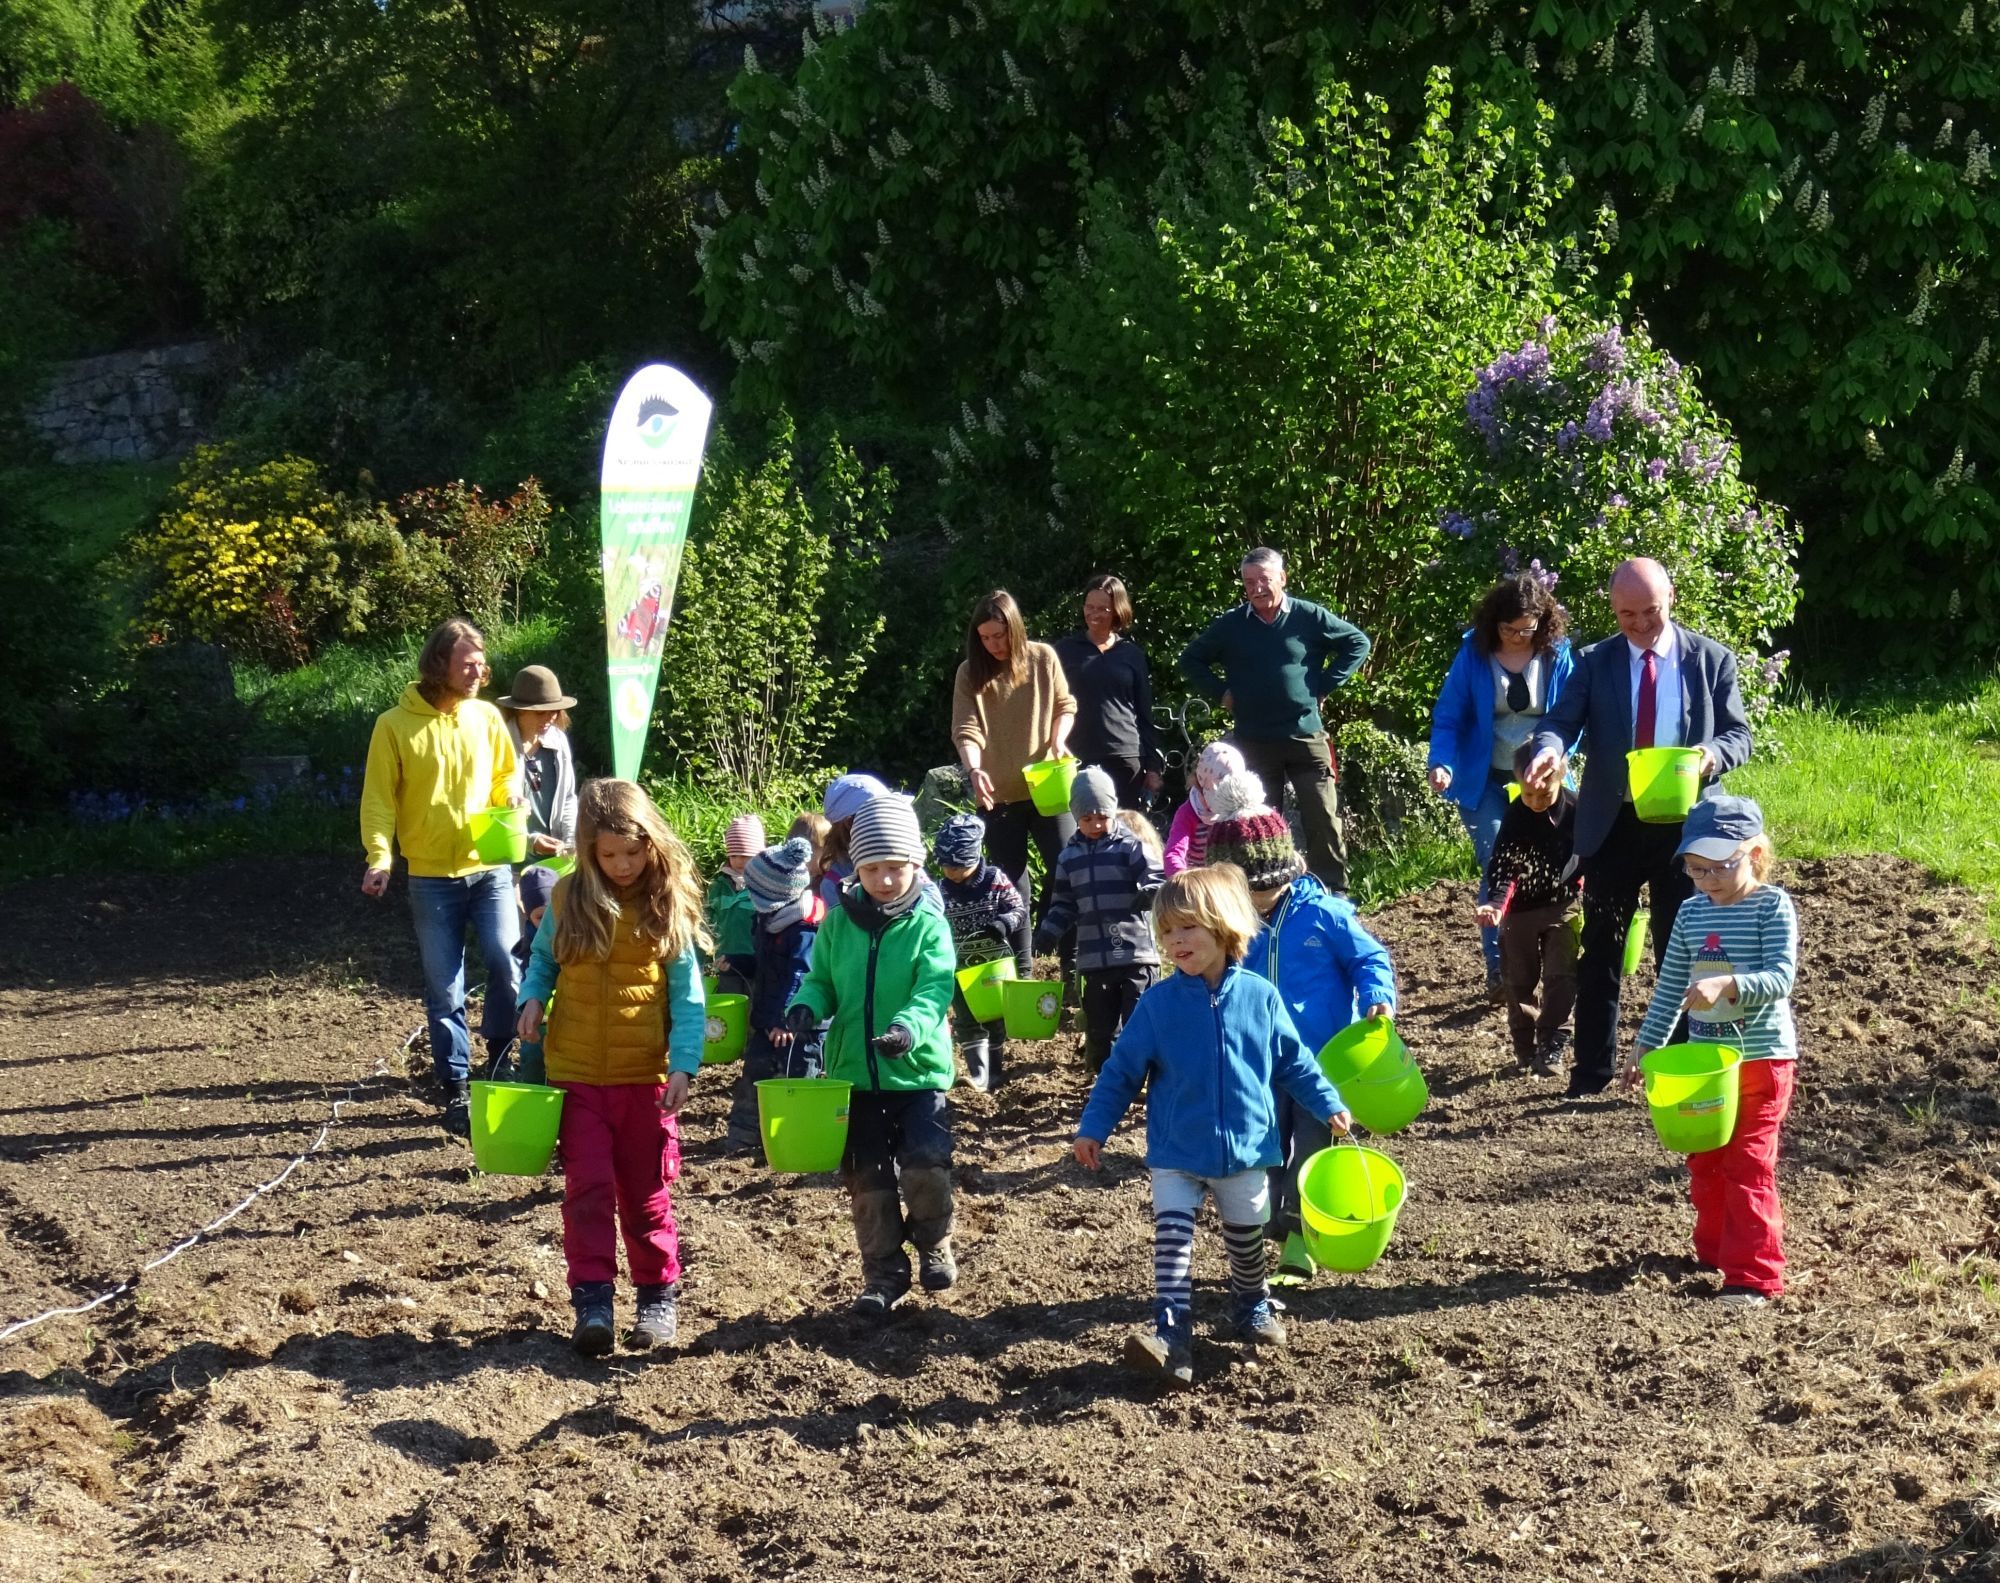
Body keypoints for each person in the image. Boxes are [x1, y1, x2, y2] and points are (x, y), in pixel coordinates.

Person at [1073, 866, 1353, 1387]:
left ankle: (1250, 1305)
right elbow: (1121, 1071)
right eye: (1167, 932)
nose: (1176, 941)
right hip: (1176, 1149)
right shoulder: (1158, 1004)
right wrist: (1094, 1127)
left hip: (1246, 1149)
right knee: (1173, 1239)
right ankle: (1171, 1334)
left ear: (1224, 927)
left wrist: (1327, 1103)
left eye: (1188, 928)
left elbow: (1294, 1063)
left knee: (1245, 1238)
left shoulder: (1260, 997)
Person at [1523, 557, 1752, 1097]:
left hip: (1687, 830)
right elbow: (1560, 722)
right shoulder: (1594, 661)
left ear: (1670, 598)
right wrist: (1549, 751)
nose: (1642, 625)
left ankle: (1673, 1069)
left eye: (1651, 612)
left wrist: (1708, 757)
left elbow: (1739, 734)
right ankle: (1591, 1075)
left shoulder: (1711, 659)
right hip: (1613, 825)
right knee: (1601, 948)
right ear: (1613, 609)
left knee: (1683, 948)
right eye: (1628, 615)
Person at [515, 779, 708, 1355]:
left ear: (651, 843)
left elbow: (689, 995)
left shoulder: (664, 902)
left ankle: (656, 1298)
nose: (622, 864)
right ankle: (593, 1301)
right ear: (587, 850)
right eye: (609, 854)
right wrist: (532, 997)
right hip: (574, 1072)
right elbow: (544, 960)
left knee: (646, 1193)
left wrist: (685, 1063)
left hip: (644, 1079)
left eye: (633, 851)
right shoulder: (570, 898)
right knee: (588, 1190)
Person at [1207, 771, 1395, 1285]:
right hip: (1252, 1063)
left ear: (1290, 868)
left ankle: (1299, 1243)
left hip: (1318, 1061)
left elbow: (1369, 957)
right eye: (1251, 888)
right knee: (1262, 1150)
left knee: (1312, 1151)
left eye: (1270, 883)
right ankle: (1260, 1233)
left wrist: (1377, 995)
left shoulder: (1323, 914)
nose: (1263, 896)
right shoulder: (1226, 927)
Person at [785, 796, 958, 1317]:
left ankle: (933, 1241)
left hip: (917, 1074)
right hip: (854, 1078)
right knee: (868, 1180)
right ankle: (883, 1272)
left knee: (926, 1167)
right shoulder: (838, 924)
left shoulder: (928, 924)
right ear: (855, 868)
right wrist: (805, 1005)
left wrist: (909, 1028)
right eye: (874, 869)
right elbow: (821, 981)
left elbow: (935, 988)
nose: (885, 880)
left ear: (916, 866)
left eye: (896, 868)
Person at [1624, 793, 1797, 1308]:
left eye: (1720, 867)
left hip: (1762, 1059)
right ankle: (1717, 1250)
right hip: (1705, 1062)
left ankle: (1753, 1276)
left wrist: (1727, 984)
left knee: (1748, 1163)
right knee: (1706, 1160)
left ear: (1756, 855)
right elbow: (1672, 984)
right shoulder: (1690, 912)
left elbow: (1781, 977)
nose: (1708, 881)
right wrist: (1645, 1045)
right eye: (1696, 870)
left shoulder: (1772, 906)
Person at [358, 617, 520, 1137]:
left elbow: (503, 773)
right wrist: (380, 857)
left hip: (490, 867)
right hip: (430, 877)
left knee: (506, 962)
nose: (479, 672)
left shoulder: (488, 717)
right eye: (468, 664)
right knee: (445, 987)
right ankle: (454, 1086)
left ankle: (499, 1059)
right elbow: (379, 798)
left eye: (482, 664)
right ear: (438, 666)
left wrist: (509, 795)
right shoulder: (394, 725)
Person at [1178, 548, 1371, 894]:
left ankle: (1334, 892)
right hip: (1254, 739)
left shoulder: (1307, 616)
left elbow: (1357, 642)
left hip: (1304, 734)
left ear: (1282, 578)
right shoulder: (1232, 625)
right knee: (1258, 822)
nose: (1257, 588)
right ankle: (1267, 892)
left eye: (1264, 580)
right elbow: (1191, 659)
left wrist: (1324, 685)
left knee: (1322, 814)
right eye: (1249, 582)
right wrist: (1221, 692)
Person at [1426, 576, 1574, 1000]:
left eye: (1526, 630)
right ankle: (1502, 970)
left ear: (1541, 624)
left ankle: (1555, 961)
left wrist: (1557, 759)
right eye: (1509, 629)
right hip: (1485, 778)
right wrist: (1442, 764)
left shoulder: (1557, 655)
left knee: (1558, 863)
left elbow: (1570, 717)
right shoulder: (1473, 654)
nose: (1516, 636)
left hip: (1545, 777)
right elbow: (1449, 716)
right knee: (1499, 861)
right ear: (1495, 623)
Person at [950, 590, 1078, 974]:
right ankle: (1022, 970)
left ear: (1015, 628)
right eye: (985, 638)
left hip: (1049, 790)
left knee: (1067, 873)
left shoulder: (1043, 658)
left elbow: (1064, 705)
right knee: (1010, 886)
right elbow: (965, 729)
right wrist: (975, 769)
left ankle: (1072, 964)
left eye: (1000, 636)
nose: (994, 645)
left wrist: (1058, 739)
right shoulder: (969, 673)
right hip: (998, 796)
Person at [1033, 766, 1163, 1073]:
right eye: (1087, 818)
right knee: (1098, 1027)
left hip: (1135, 953)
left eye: (1102, 817)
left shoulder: (1130, 846)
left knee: (1139, 1020)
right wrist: (1049, 931)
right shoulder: (1069, 858)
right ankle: (1103, 1079)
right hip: (1094, 958)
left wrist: (1151, 892)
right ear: (1075, 817)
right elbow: (1064, 903)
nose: (1095, 825)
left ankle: (1143, 1076)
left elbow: (1157, 876)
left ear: (1113, 811)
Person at [1476, 743, 1582, 1078]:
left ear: (1561, 779)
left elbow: (1594, 853)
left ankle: (1554, 1043)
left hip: (1563, 904)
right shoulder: (1516, 817)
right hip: (1520, 910)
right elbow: (1504, 868)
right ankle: (1525, 1047)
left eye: (1544, 794)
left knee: (1561, 976)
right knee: (1519, 981)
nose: (1535, 802)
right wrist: (1496, 905)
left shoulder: (1578, 810)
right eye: (1528, 794)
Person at [725, 837, 827, 1152]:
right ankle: (745, 1135)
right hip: (769, 1017)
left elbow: (802, 975)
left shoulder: (804, 929)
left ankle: (795, 1137)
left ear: (773, 894)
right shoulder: (770, 921)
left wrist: (787, 1018)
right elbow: (766, 965)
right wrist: (738, 962)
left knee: (796, 1079)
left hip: (800, 1023)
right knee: (755, 1070)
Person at [1050, 574, 1166, 808]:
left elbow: (1144, 712)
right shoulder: (1064, 651)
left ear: (1117, 611)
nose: (1094, 614)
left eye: (1102, 608)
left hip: (1125, 757)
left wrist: (1153, 767)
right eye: (1089, 607)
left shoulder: (1131, 654)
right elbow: (1050, 705)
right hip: (1077, 756)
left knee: (1126, 832)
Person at [931, 813, 1026, 1092]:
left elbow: (1019, 909)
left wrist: (1003, 923)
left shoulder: (995, 879)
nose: (950, 872)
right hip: (958, 968)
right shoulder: (939, 890)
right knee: (966, 1018)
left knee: (994, 1018)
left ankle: (995, 1071)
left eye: (957, 866)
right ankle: (979, 1074)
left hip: (993, 964)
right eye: (945, 866)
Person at [497, 664, 579, 862]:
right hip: (509, 863)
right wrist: (529, 842)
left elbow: (568, 798)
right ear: (519, 711)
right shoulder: (498, 744)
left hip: (555, 861)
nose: (550, 718)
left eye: (554, 711)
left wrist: (571, 841)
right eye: (540, 713)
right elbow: (492, 810)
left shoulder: (558, 740)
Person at [1161, 740, 1246, 877]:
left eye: (1220, 797)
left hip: (1230, 878)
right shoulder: (1188, 812)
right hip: (1198, 879)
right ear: (1196, 785)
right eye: (1205, 794)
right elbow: (1173, 853)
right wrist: (1182, 880)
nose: (1211, 803)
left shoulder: (1238, 811)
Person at [705, 815, 764, 993]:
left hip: (756, 964)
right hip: (727, 964)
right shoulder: (718, 887)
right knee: (729, 1006)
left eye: (746, 855)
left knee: (754, 1009)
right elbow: (707, 922)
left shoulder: (763, 887)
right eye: (734, 855)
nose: (739, 861)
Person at [817, 773, 890, 910]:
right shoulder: (835, 883)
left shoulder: (900, 858)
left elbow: (931, 900)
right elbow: (840, 929)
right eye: (880, 816)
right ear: (850, 824)